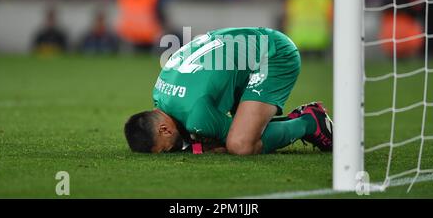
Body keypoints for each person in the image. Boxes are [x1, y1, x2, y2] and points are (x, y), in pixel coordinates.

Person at [124, 27, 333, 155]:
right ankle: (296, 120)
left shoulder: (196, 116)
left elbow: (223, 140)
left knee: (240, 143)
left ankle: (309, 122)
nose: (174, 150)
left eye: (167, 149)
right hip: (247, 43)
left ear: (164, 130)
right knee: (241, 127)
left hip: (273, 55)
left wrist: (209, 145)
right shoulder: (159, 93)